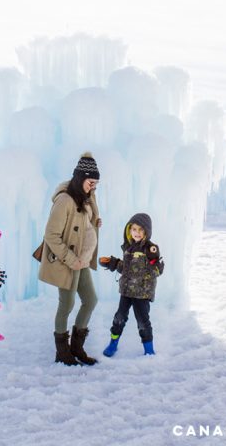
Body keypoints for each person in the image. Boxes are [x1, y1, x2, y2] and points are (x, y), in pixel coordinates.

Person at [39, 152, 102, 365]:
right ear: (80, 177)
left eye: (95, 184)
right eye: (90, 182)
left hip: (81, 260)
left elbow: (83, 225)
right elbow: (51, 235)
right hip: (68, 261)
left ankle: (77, 347)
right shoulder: (64, 200)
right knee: (66, 304)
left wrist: (94, 222)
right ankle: (62, 352)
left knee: (90, 300)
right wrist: (70, 258)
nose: (93, 187)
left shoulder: (86, 198)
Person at [100, 212, 164, 356]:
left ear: (147, 232)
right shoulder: (128, 247)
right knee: (119, 317)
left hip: (142, 293)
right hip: (127, 291)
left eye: (141, 230)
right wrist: (113, 263)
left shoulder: (150, 249)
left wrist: (156, 266)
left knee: (142, 321)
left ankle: (149, 350)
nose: (137, 233)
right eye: (134, 229)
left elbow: (156, 270)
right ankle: (113, 344)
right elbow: (127, 269)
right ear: (129, 230)